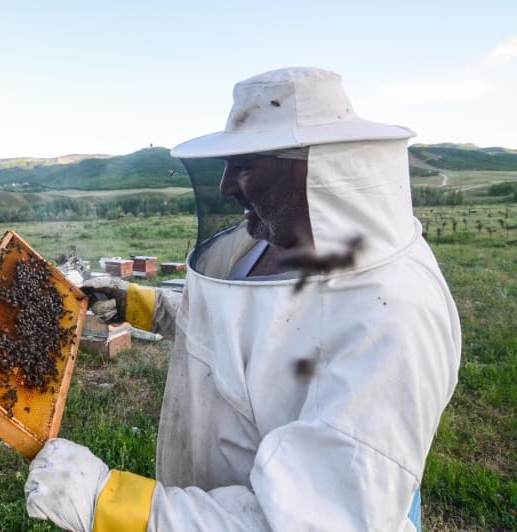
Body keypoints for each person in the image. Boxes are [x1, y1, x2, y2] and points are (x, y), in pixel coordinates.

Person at [24, 67, 461, 531]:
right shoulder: (270, 241)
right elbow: (244, 325)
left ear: (316, 171)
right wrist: (139, 304)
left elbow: (312, 520)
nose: (225, 186)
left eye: (246, 166)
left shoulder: (394, 320)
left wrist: (104, 503)